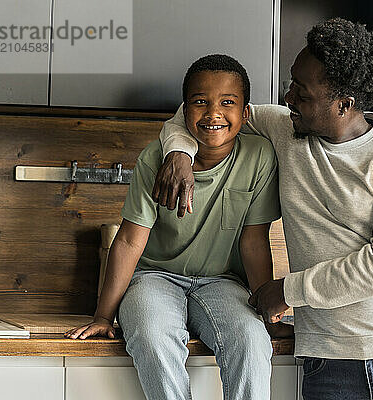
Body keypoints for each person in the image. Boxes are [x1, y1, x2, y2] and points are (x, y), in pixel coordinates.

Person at [153, 18, 373, 400]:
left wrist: (288, 290)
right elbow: (196, 114)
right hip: (326, 364)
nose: (288, 98)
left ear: (344, 104)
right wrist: (179, 152)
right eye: (291, 83)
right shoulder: (285, 129)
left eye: (302, 92)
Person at [64, 54, 292, 400]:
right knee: (152, 333)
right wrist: (103, 315)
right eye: (200, 102)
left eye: (227, 103)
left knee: (249, 338)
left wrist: (265, 310)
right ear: (184, 110)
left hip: (223, 283)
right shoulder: (156, 158)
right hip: (154, 278)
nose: (213, 113)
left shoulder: (260, 156)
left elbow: (254, 241)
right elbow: (128, 241)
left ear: (245, 114)